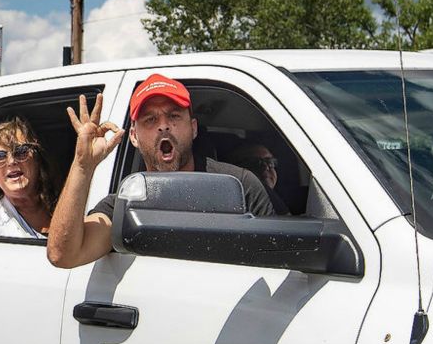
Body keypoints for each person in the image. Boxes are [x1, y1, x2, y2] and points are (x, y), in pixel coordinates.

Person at [47, 73, 275, 268]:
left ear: (193, 128)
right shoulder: (124, 205)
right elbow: (63, 255)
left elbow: (276, 264)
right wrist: (82, 166)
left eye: (174, 116)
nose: (163, 125)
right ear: (134, 136)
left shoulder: (239, 184)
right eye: (150, 119)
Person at [227, 143, 290, 215]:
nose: (265, 167)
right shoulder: (235, 206)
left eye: (270, 162)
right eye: (255, 163)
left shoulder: (287, 200)